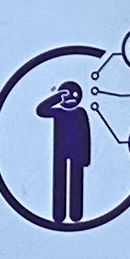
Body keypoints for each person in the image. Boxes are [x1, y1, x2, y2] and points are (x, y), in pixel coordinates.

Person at [41, 79, 96, 225]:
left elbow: (86, 135)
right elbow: (41, 110)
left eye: (74, 94)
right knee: (59, 182)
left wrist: (86, 158)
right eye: (66, 95)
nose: (70, 97)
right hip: (60, 152)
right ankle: (58, 216)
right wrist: (57, 97)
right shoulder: (58, 112)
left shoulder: (80, 113)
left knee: (76, 183)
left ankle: (76, 215)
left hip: (77, 153)